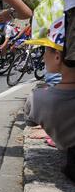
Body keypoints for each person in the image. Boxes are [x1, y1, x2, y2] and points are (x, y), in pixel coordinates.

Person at [24, 16, 75, 182]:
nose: (43, 56)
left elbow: (30, 121)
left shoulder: (38, 100)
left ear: (58, 56)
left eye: (45, 50)